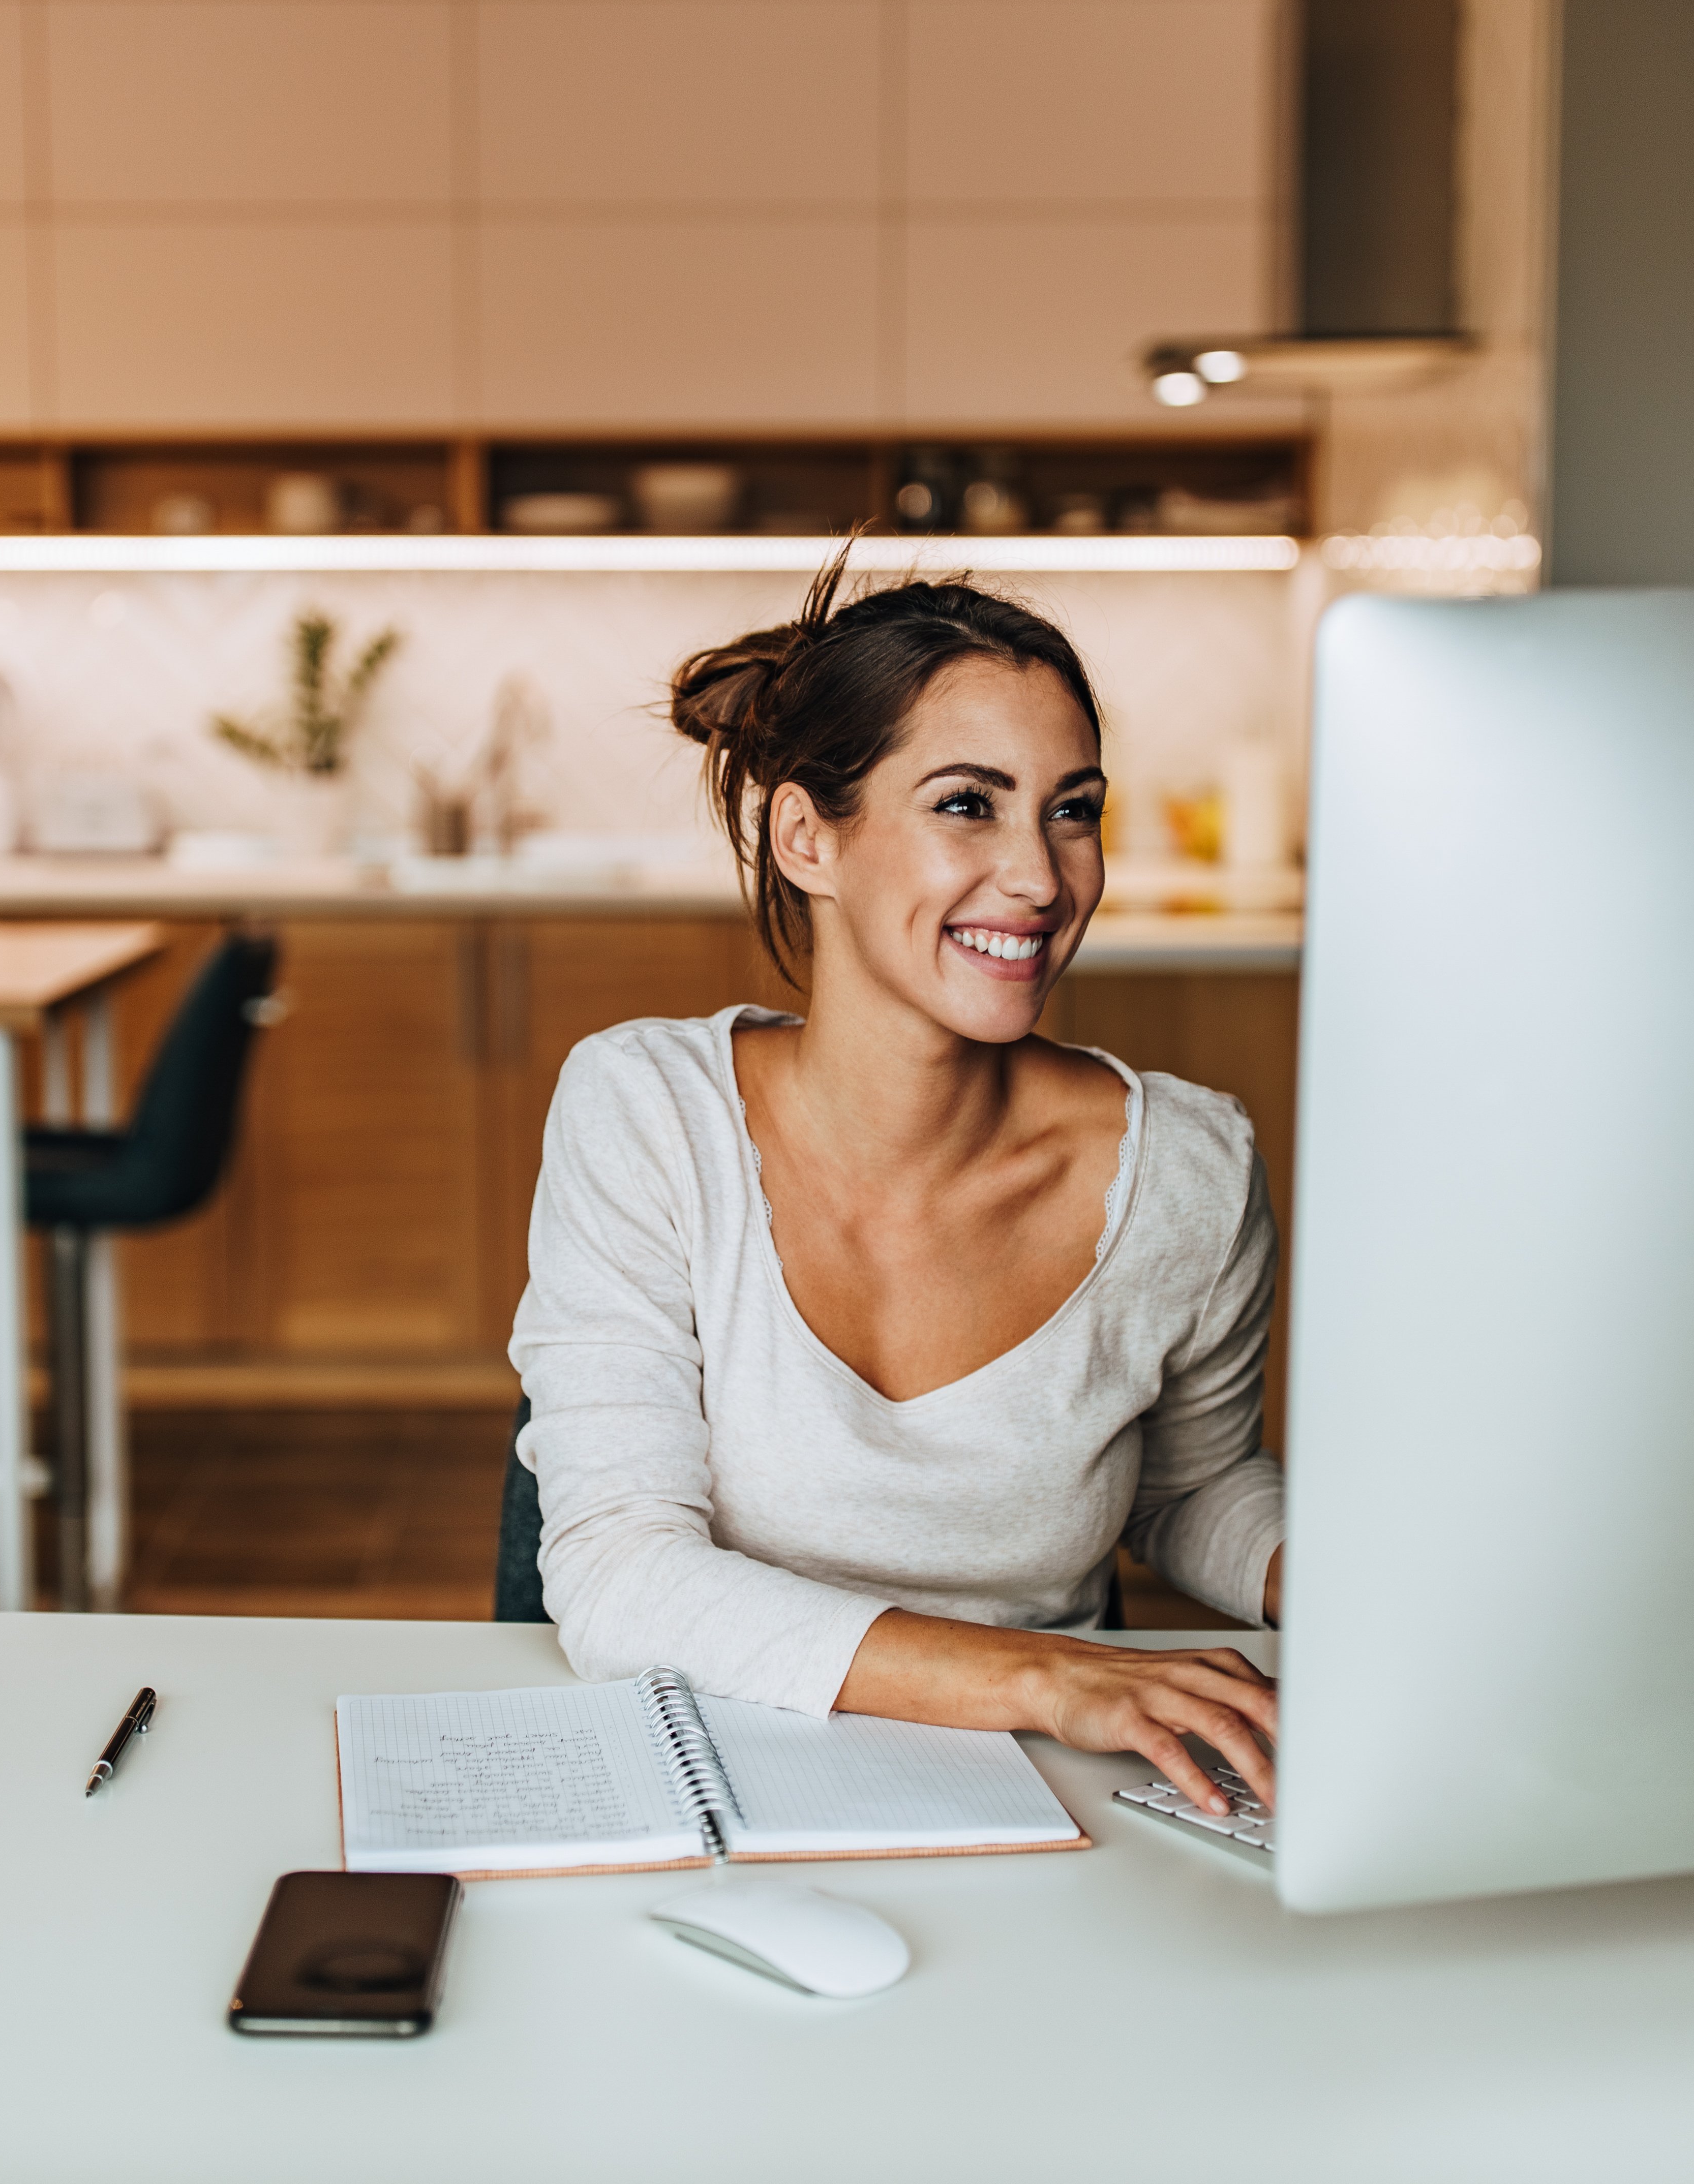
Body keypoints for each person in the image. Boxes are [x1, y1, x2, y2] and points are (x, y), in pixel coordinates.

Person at [509, 557, 1284, 1814]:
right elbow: (619, 1573)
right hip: (716, 1773)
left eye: (1072, 808)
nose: (1041, 877)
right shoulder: (650, 1114)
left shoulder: (1190, 1172)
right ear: (808, 835)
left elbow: (1190, 1483)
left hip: (1062, 1798)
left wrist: (1354, 1577)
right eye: (969, 804)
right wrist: (1044, 1675)